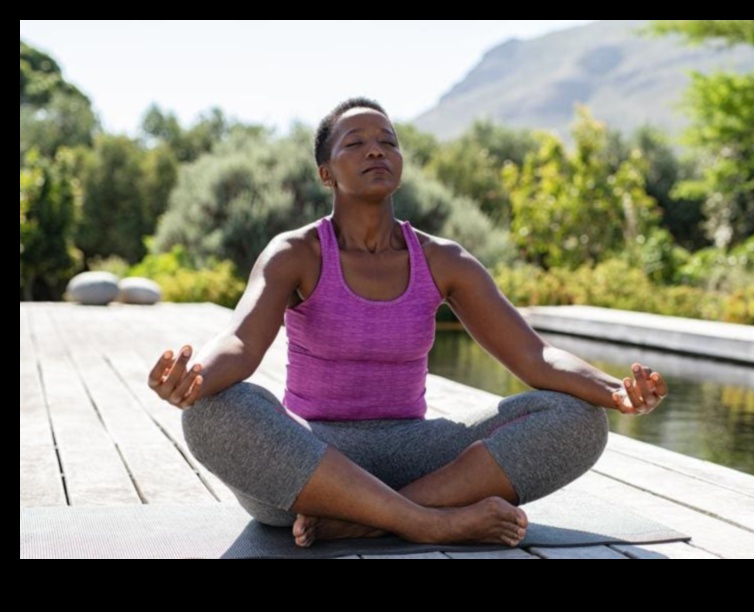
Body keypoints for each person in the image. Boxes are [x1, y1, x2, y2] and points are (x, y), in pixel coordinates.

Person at [147, 97, 668, 549]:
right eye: (354, 142)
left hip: (418, 457)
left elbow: (533, 357)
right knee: (212, 411)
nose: (376, 149)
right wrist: (196, 380)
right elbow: (240, 341)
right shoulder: (296, 253)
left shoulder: (444, 260)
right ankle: (425, 524)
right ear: (326, 172)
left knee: (576, 419)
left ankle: (367, 522)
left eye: (388, 141)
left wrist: (613, 390)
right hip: (309, 467)